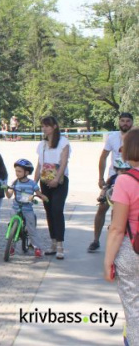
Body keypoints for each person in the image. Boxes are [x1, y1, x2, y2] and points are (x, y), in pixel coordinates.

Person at [103, 127, 139, 346]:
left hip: (132, 249)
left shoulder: (124, 181)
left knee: (134, 311)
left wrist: (108, 262)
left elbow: (117, 228)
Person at [92, 112, 134, 252]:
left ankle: (123, 241)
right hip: (114, 177)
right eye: (122, 120)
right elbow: (103, 157)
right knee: (102, 207)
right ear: (119, 122)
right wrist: (100, 177)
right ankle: (96, 240)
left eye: (128, 121)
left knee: (124, 211)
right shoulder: (112, 137)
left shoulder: (136, 137)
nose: (125, 123)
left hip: (132, 177)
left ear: (132, 123)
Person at [34, 116, 71, 260]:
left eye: (47, 126)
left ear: (54, 126)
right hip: (45, 180)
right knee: (49, 211)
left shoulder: (63, 142)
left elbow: (63, 163)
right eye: (43, 126)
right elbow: (39, 164)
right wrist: (33, 182)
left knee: (57, 210)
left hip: (59, 181)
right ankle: (53, 242)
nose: (44, 129)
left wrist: (57, 179)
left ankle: (61, 244)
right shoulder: (42, 144)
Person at [6, 159, 48, 258]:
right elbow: (9, 195)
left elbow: (38, 193)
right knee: (12, 227)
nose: (17, 173)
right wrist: (6, 190)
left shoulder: (32, 183)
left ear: (27, 172)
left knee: (31, 229)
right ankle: (11, 247)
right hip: (16, 208)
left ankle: (37, 248)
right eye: (16, 171)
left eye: (19, 171)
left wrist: (43, 197)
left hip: (27, 209)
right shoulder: (15, 182)